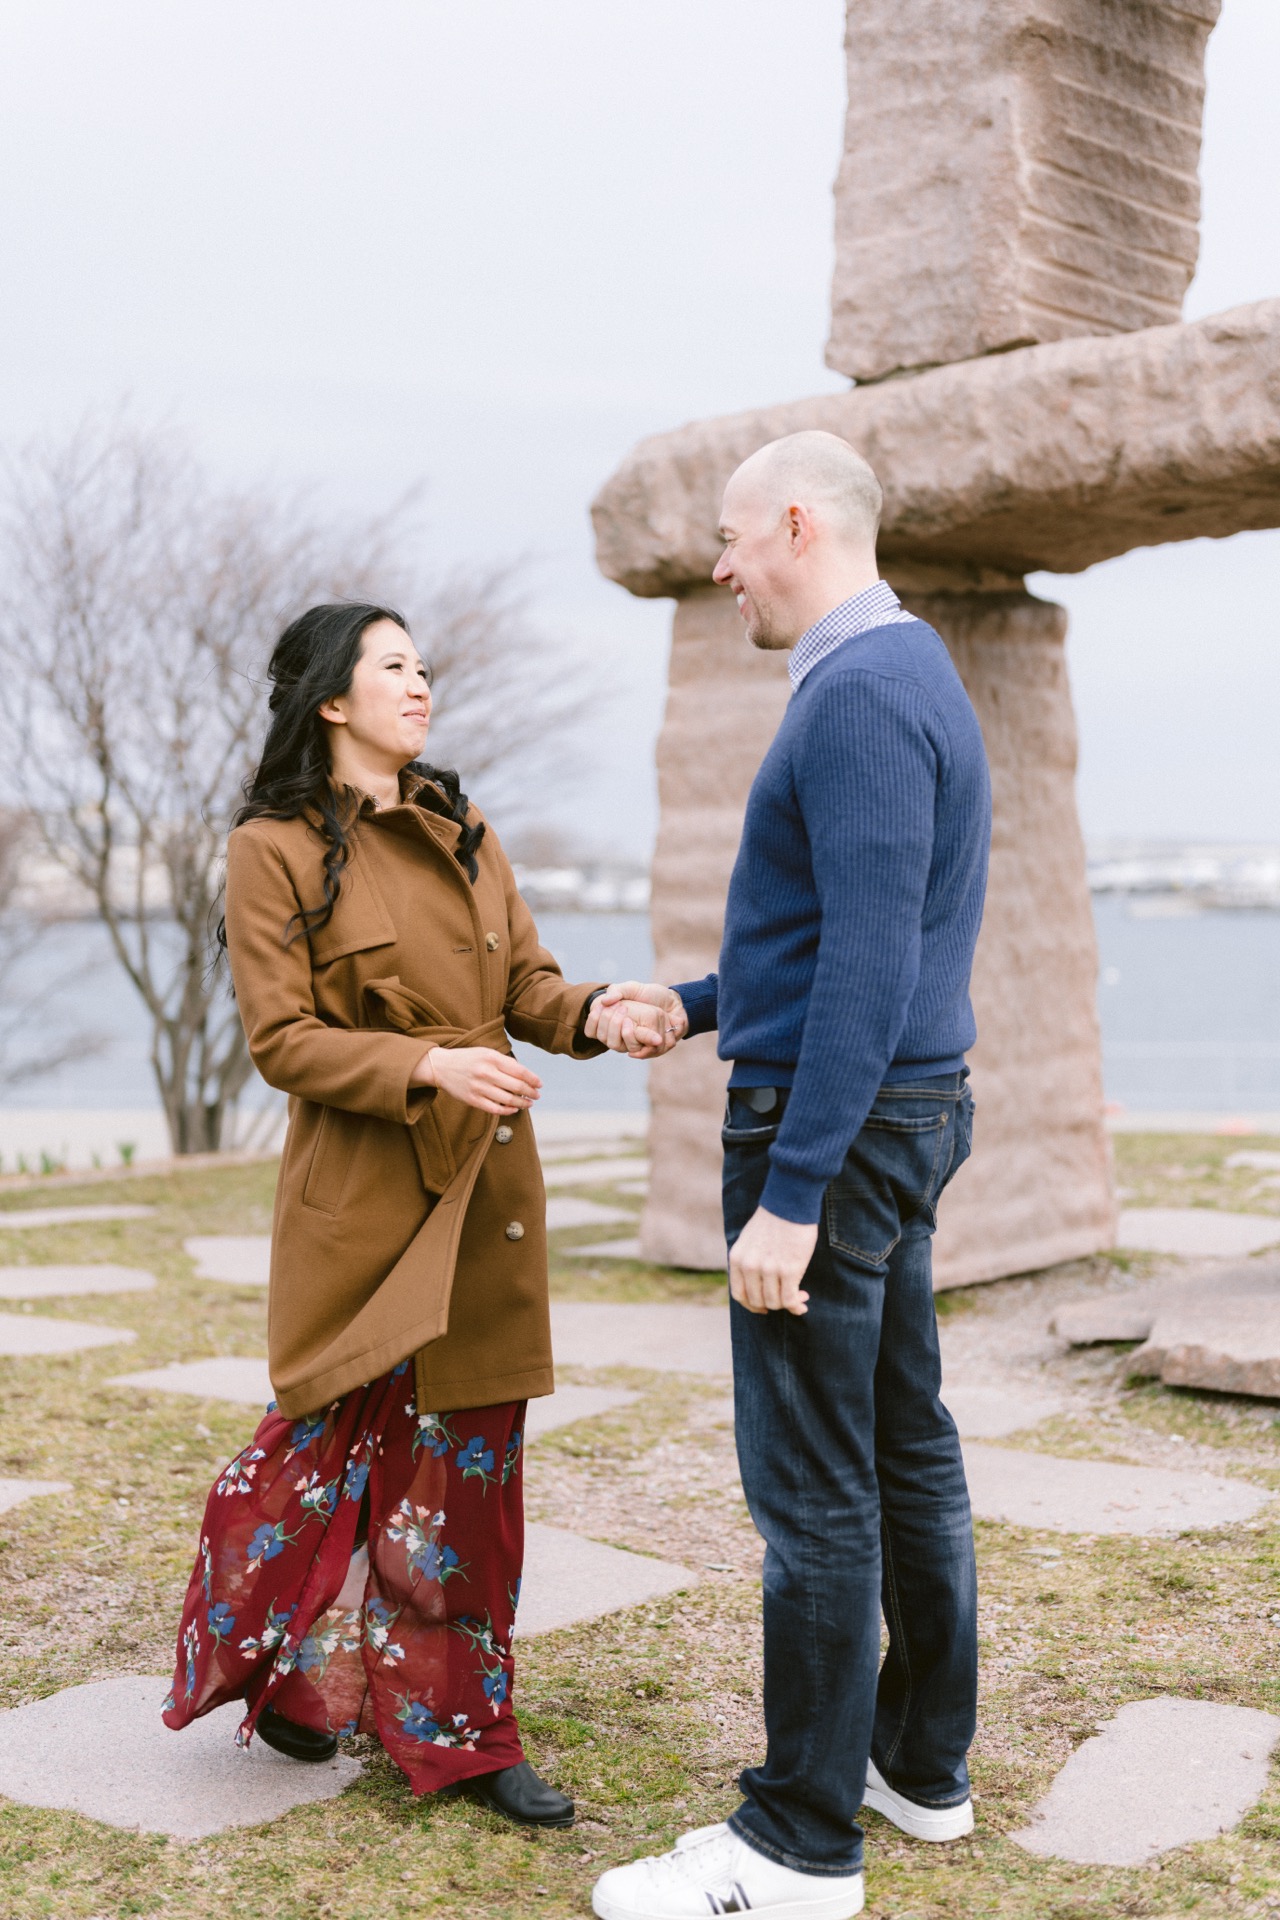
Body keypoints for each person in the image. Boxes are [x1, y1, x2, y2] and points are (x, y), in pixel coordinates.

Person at [163, 600, 676, 1827]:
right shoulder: (269, 847)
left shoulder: (465, 826)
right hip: (367, 1197)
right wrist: (427, 1068)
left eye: (424, 665)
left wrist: (601, 1009)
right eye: (393, 666)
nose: (421, 683)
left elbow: (527, 988)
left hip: (485, 1191)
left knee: (468, 1476)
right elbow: (280, 1041)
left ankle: (462, 1738)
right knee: (314, 1458)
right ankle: (289, 1677)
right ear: (330, 700)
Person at [586, 431, 991, 1920]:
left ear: (800, 524)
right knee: (901, 1445)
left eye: (732, 537)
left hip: (848, 1132)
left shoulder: (865, 691)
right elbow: (833, 937)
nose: (719, 563)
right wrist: (694, 1007)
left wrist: (795, 1192)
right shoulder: (898, 669)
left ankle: (798, 1847)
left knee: (816, 1493)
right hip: (896, 1113)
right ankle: (918, 1769)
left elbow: (877, 961)